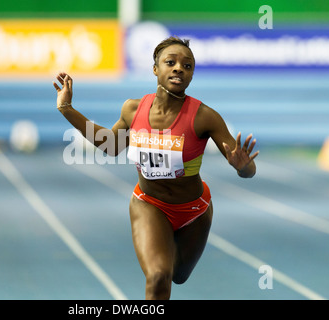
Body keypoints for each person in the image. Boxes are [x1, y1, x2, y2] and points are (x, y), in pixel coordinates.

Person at [53, 36, 259, 300]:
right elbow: (111, 146)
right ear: (155, 69)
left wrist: (243, 167)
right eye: (170, 62)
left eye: (187, 66)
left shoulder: (205, 117)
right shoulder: (133, 109)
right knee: (159, 276)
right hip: (149, 204)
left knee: (178, 275)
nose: (178, 69)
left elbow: (248, 169)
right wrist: (67, 108)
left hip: (194, 211)